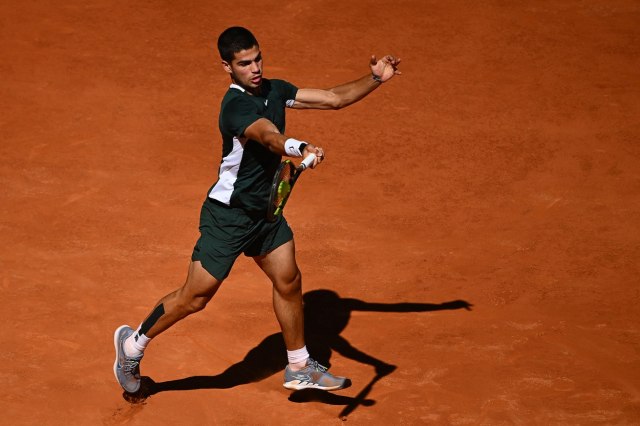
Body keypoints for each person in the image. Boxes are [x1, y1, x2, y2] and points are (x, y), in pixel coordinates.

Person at [113, 26, 401, 395]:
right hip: (228, 217)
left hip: (265, 213)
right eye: (244, 63)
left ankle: (299, 366)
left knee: (288, 280)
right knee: (195, 297)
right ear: (227, 67)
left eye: (258, 59)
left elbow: (333, 98)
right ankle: (132, 346)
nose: (255, 68)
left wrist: (375, 79)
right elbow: (268, 136)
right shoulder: (235, 106)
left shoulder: (274, 90)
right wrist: (299, 147)